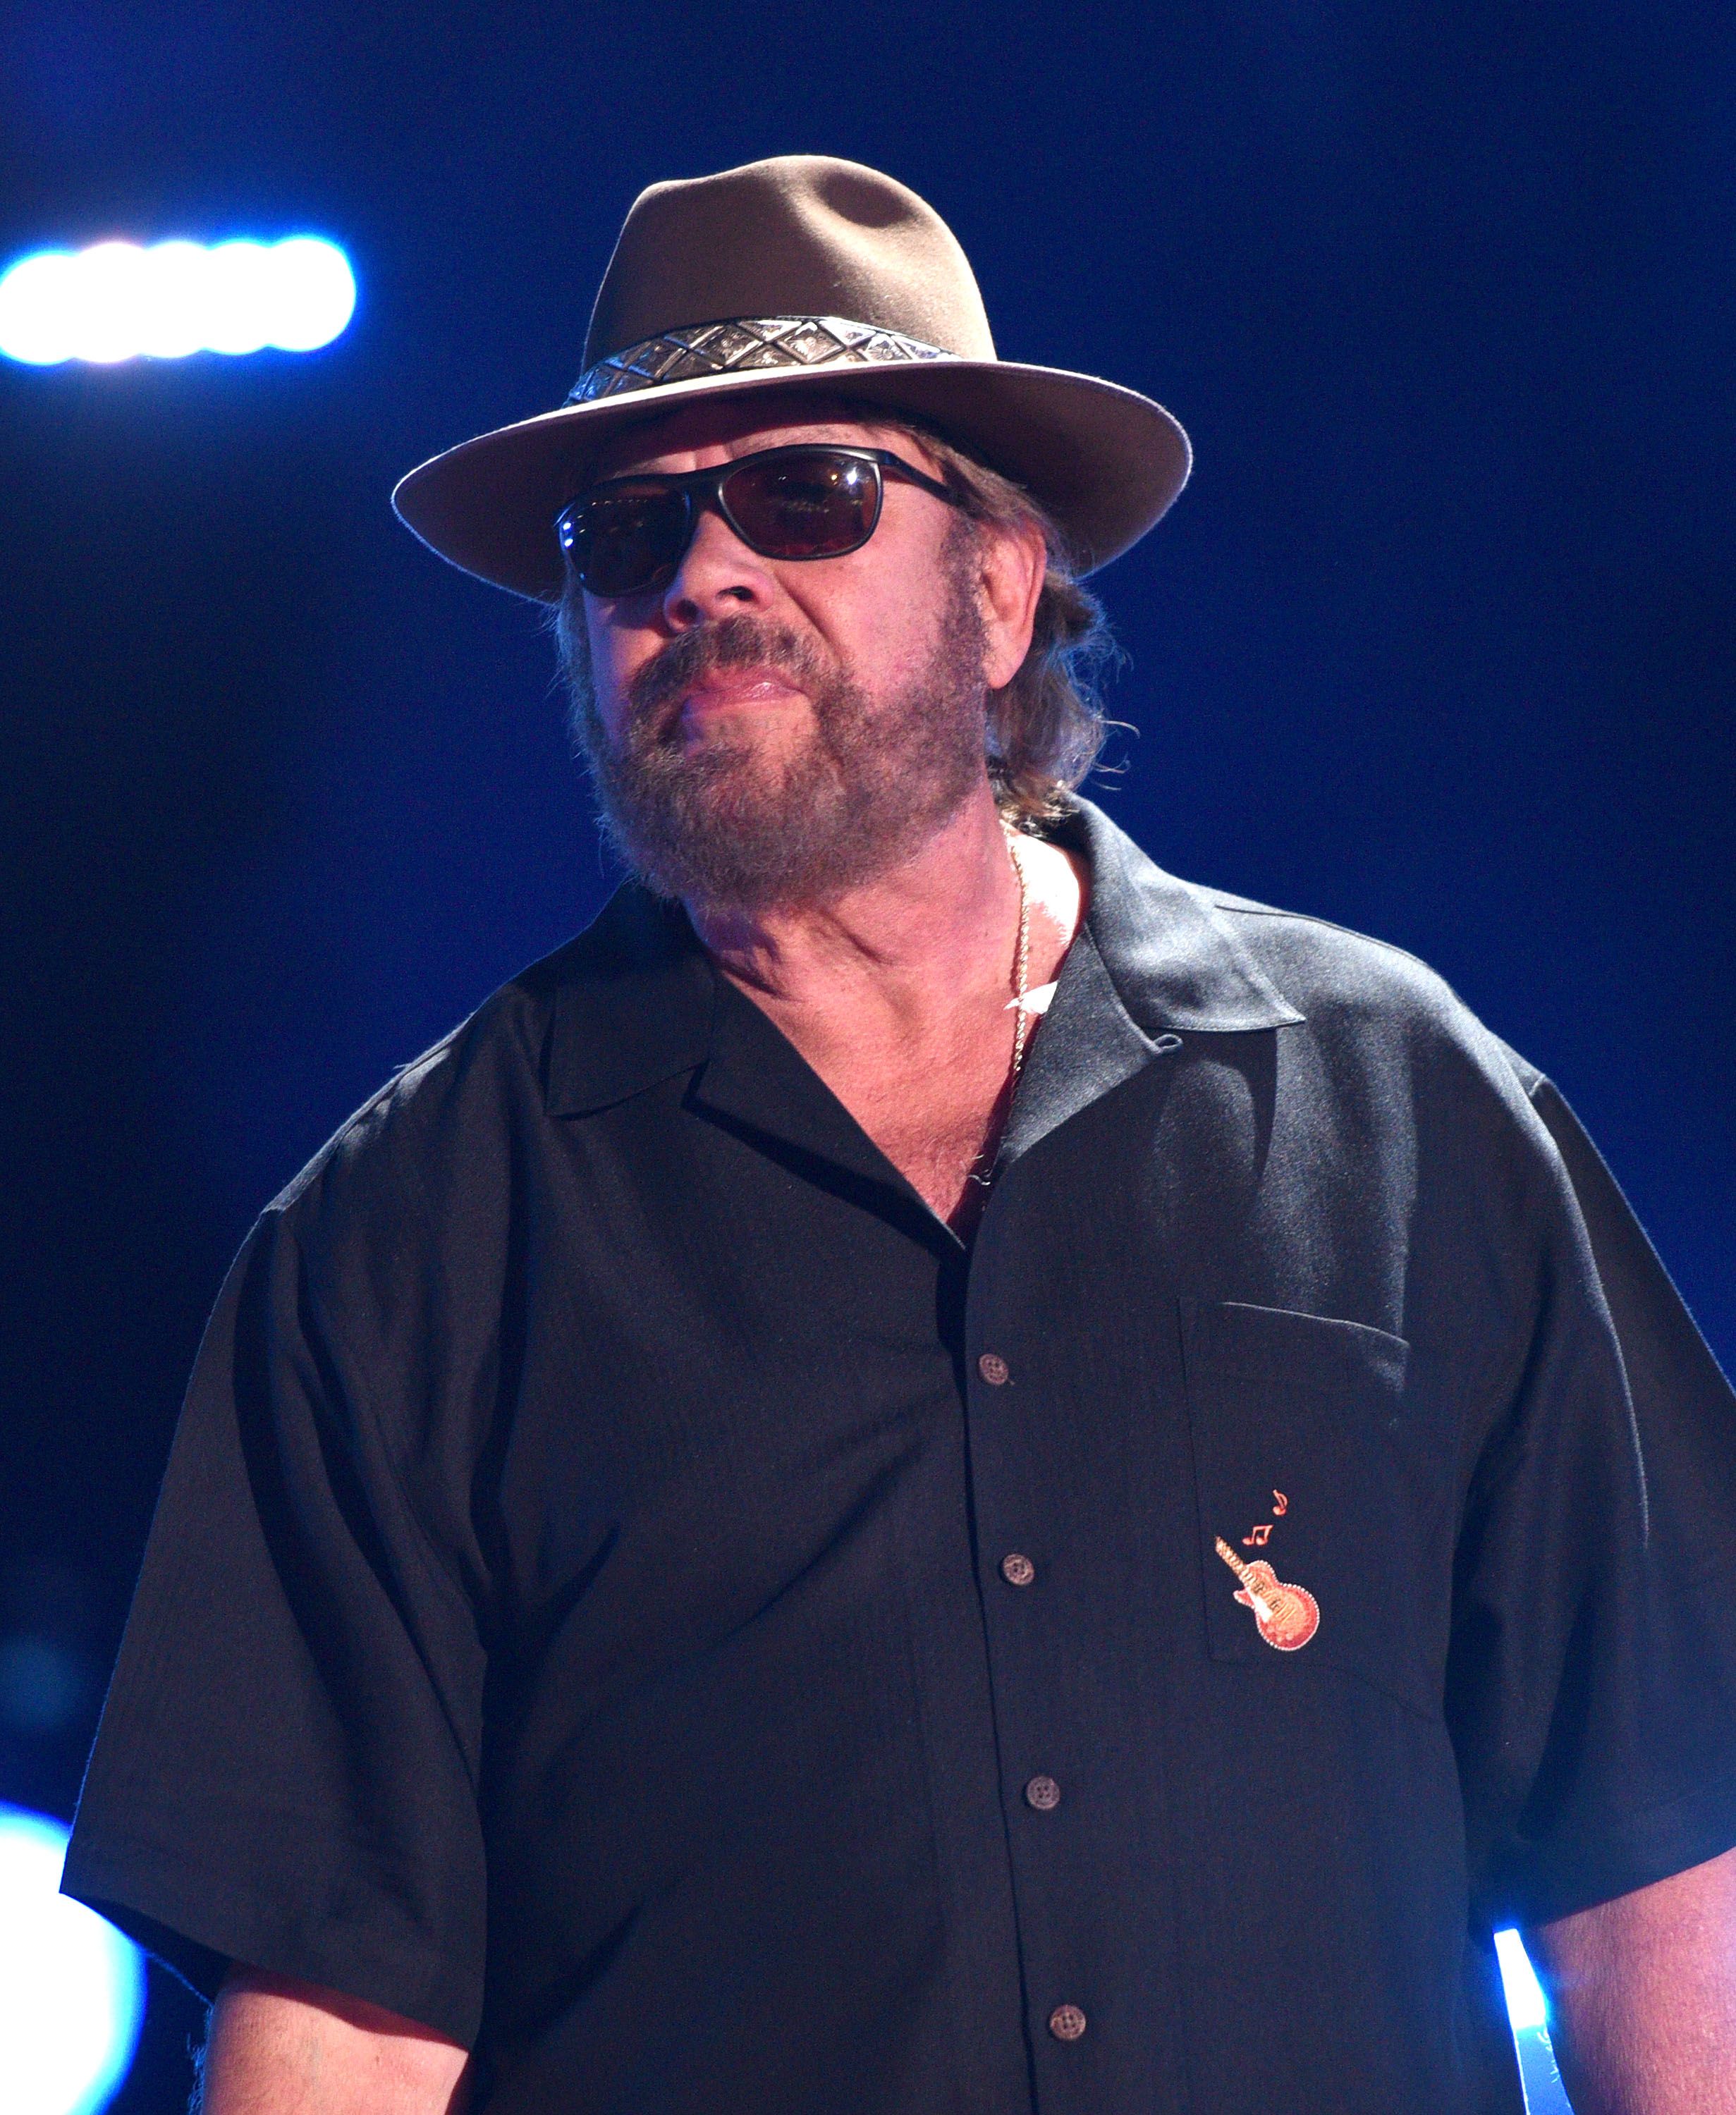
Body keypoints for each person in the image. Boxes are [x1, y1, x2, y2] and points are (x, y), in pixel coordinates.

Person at [63, 156, 1736, 2115]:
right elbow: (338, 2026)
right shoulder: (401, 1242)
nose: (702, 576)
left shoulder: (1401, 1107)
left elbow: (1664, 1869)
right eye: (626, 536)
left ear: (1003, 586)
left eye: (806, 494)